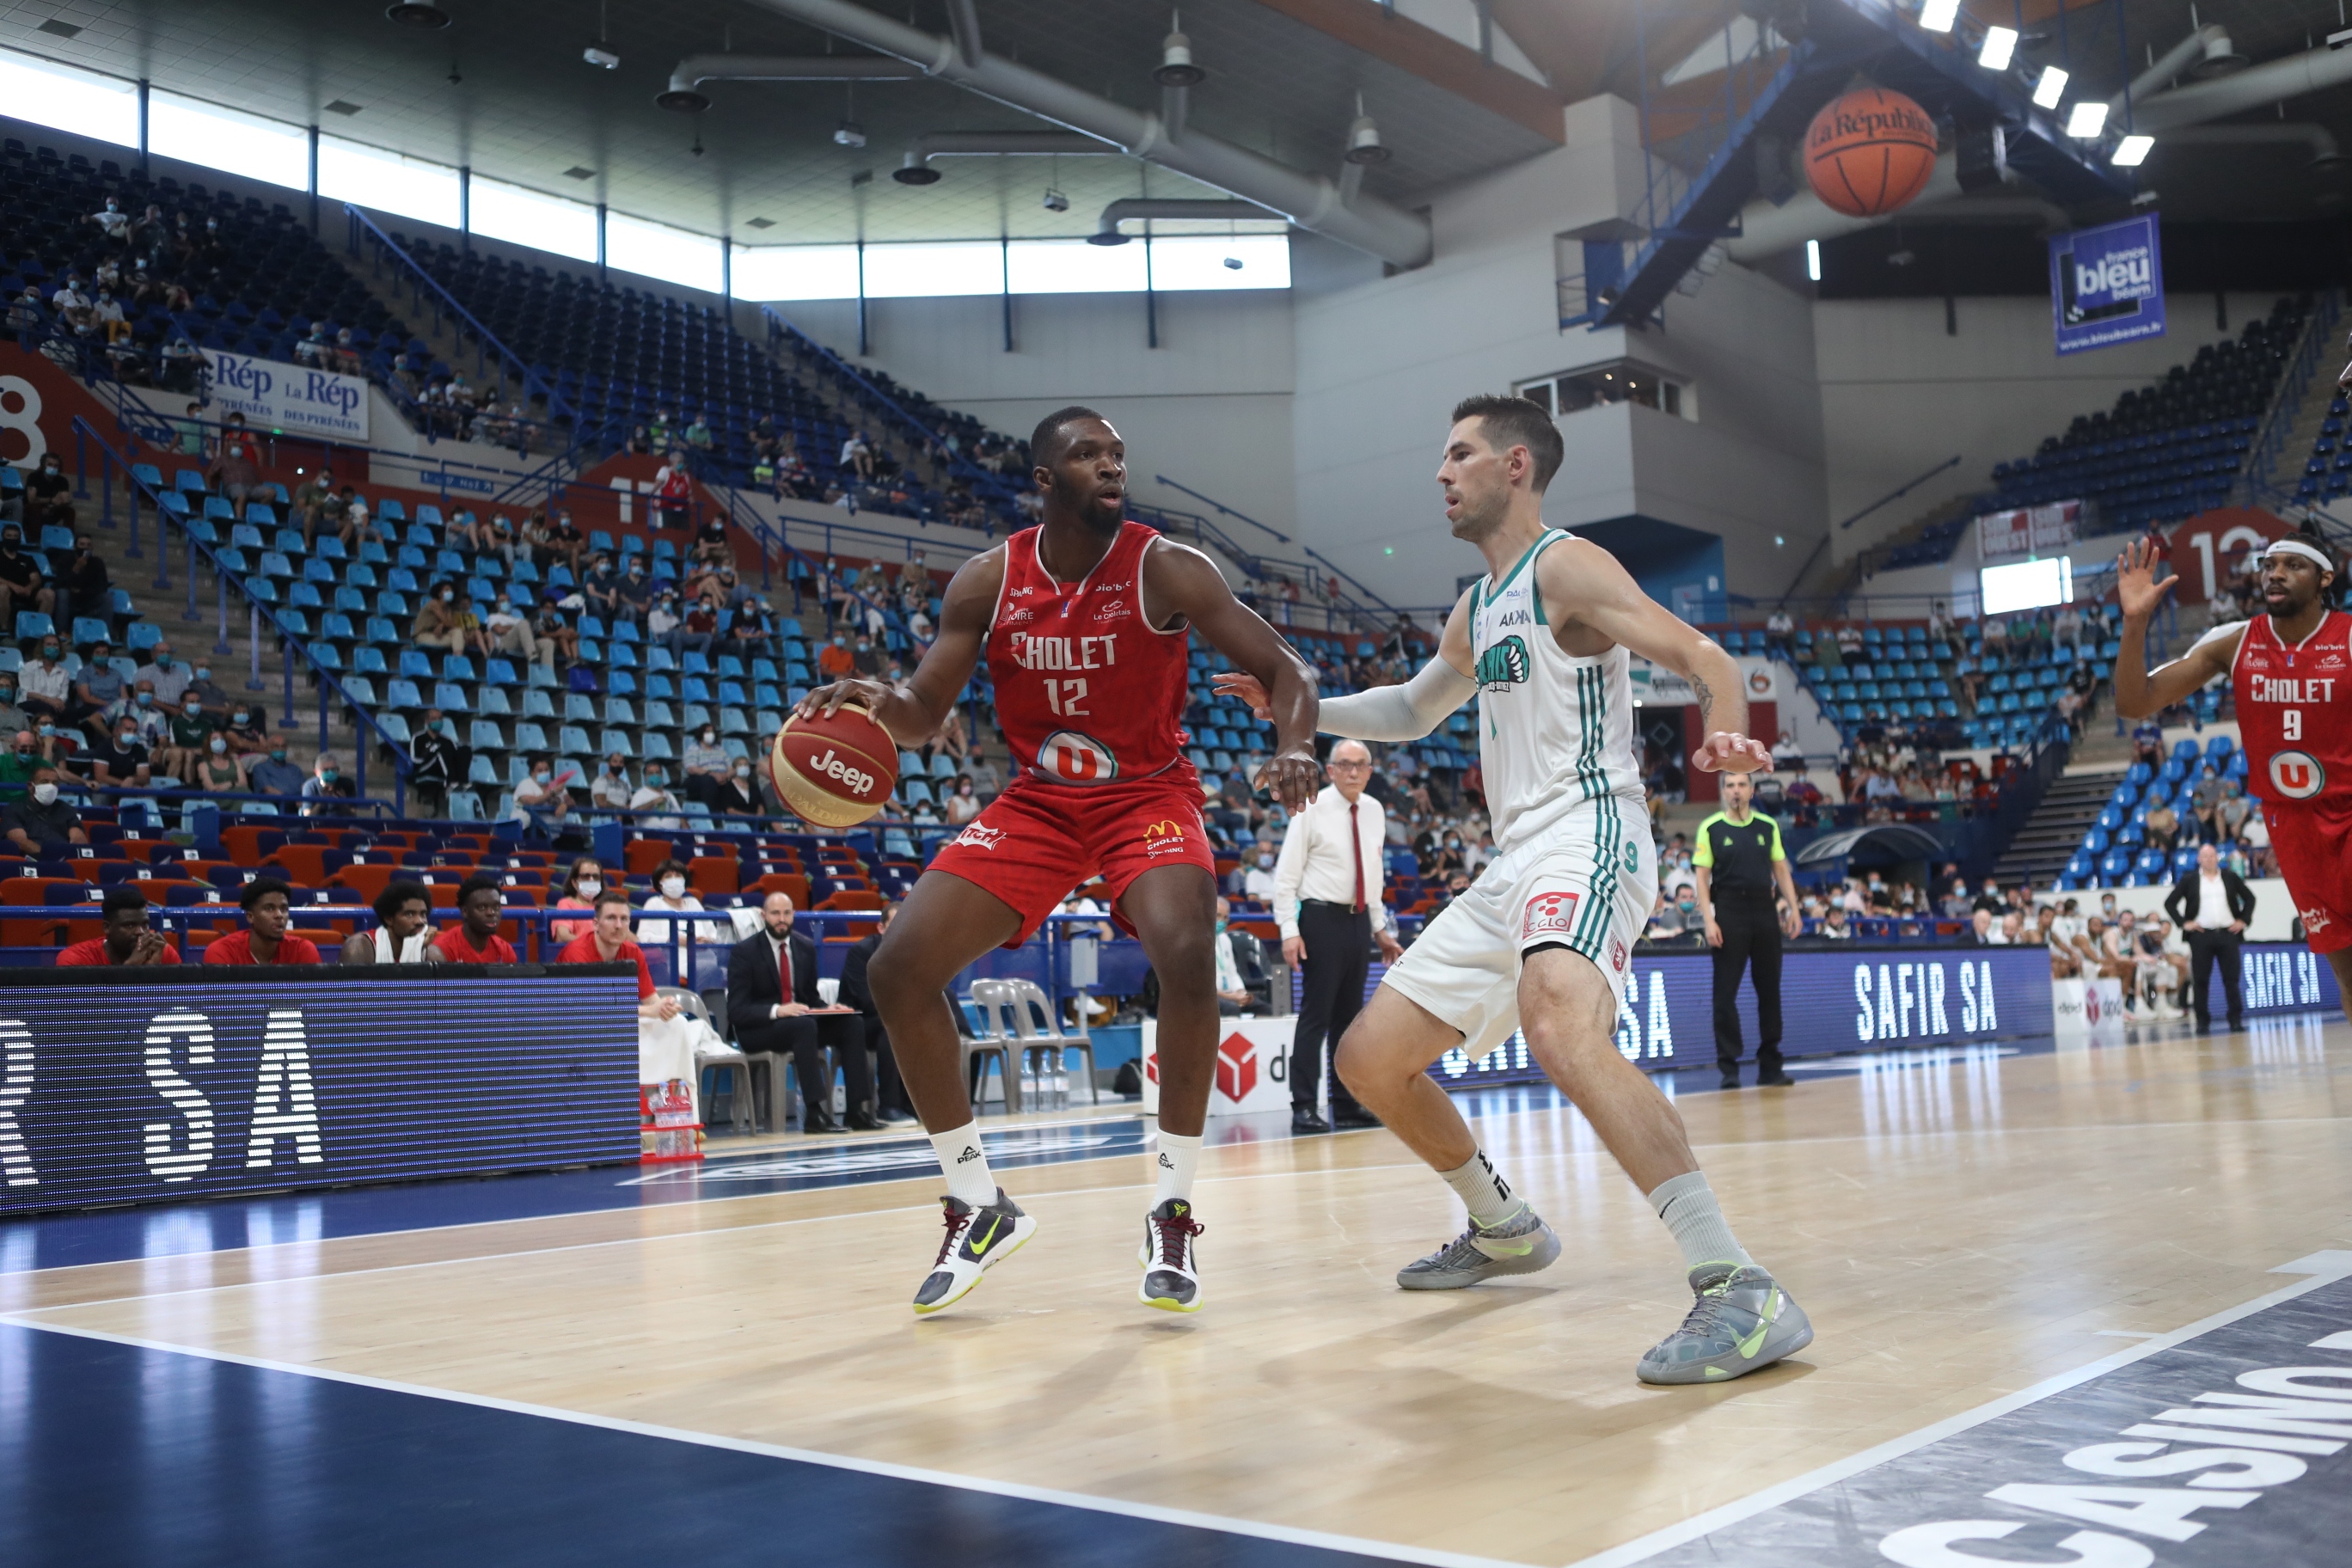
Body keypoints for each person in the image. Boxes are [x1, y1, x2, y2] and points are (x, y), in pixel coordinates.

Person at [1219, 393, 1808, 1385]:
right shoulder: (1474, 605)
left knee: (1560, 1026)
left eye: (1459, 456)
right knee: (1368, 1058)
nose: (1441, 475)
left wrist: (1725, 722)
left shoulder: (1566, 567)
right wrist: (1301, 703)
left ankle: (1738, 1287)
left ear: (1517, 467)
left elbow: (1702, 654)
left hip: (1591, 825)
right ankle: (1501, 1226)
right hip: (1515, 859)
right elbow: (1411, 709)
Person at [795, 404, 1320, 1317]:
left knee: (1189, 957)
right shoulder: (988, 581)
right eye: (1088, 456)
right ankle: (975, 1200)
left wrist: (1299, 744)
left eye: (1118, 454)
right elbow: (924, 712)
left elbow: (1290, 671)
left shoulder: (1167, 567)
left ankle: (1172, 1206)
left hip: (1145, 794)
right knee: (897, 969)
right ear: (1045, 480)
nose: (1111, 467)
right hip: (1038, 802)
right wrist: (875, 705)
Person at [2116, 535, 2352, 998]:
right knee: (2347, 973)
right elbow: (2133, 702)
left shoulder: (2347, 636)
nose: (2275, 573)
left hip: (2348, 808)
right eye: (2269, 564)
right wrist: (2136, 622)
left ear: (2325, 577)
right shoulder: (2235, 641)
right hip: (2293, 825)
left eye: (2293, 565)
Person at [1270, 738, 1402, 1134]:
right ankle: (1304, 1106)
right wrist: (1289, 931)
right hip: (1320, 919)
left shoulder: (1375, 811)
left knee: (1349, 1019)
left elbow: (1373, 876)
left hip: (1358, 920)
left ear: (1370, 770)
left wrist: (1380, 930)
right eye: (1344, 764)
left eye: (1360, 765)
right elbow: (1286, 877)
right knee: (1316, 1016)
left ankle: (1346, 1104)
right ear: (1329, 770)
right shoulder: (1311, 808)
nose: (1352, 772)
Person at [560, 891, 721, 1118]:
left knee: (677, 1025)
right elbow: (591, 1008)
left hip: (616, 1025)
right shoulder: (577, 953)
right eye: (611, 918)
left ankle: (678, 1114)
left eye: (624, 919)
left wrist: (666, 1007)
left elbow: (651, 1000)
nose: (618, 925)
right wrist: (651, 1010)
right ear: (596, 923)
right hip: (576, 1030)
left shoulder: (633, 952)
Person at [725, 891, 874, 1133]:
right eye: (775, 914)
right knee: (804, 1026)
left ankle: (856, 1111)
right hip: (757, 1028)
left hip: (799, 1024)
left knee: (851, 1023)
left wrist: (828, 1008)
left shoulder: (804, 947)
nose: (781, 919)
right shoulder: (745, 952)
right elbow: (736, 1010)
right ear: (764, 916)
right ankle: (814, 1114)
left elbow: (809, 998)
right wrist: (777, 1010)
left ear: (793, 915)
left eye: (786, 913)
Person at [1692, 771, 1803, 1091]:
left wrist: (1793, 907)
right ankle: (1729, 1068)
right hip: (1728, 910)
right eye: (1730, 785)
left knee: (1769, 991)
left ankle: (1771, 1065)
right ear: (1724, 792)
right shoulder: (1710, 827)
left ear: (1752, 791)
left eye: (1741, 785)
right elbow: (1702, 877)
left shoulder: (1767, 827)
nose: (1736, 790)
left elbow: (1780, 869)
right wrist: (1709, 919)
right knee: (1724, 994)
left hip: (1764, 911)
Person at [836, 900, 916, 1122]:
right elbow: (866, 1000)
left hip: (891, 1021)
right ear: (881, 928)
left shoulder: (913, 955)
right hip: (859, 1022)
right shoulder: (860, 953)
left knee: (911, 1026)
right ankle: (888, 1106)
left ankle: (912, 1104)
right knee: (893, 1027)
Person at [2165, 841, 2256, 1032]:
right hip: (2201, 935)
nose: (2209, 859)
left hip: (2227, 934)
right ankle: (2202, 1021)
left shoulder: (2229, 877)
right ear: (2199, 859)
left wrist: (2243, 920)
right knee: (2201, 980)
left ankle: (2235, 1019)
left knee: (2231, 979)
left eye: (2212, 856)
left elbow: (2250, 898)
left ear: (2218, 858)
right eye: (2205, 856)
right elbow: (2170, 903)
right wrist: (2184, 923)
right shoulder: (2190, 879)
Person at [203, 878, 323, 964]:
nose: (279, 915)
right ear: (250, 917)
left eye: (284, 909)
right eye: (269, 908)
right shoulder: (223, 952)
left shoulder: (302, 950)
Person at [58, 885, 179, 965]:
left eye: (145, 925)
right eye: (130, 926)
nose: (140, 932)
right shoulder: (76, 959)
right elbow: (81, 1003)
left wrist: (158, 973)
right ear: (107, 927)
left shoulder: (163, 951)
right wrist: (131, 969)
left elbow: (182, 999)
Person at [427, 875, 518, 962]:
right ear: (465, 911)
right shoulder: (443, 949)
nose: (491, 913)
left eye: (496, 907)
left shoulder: (505, 951)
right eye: (482, 907)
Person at [341, 881, 435, 964]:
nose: (420, 921)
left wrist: (420, 948)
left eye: (423, 914)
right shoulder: (359, 947)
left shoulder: (430, 951)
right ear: (389, 919)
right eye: (409, 914)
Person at [3, 765, 86, 856]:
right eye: (44, 782)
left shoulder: (67, 809)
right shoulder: (14, 810)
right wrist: (47, 855)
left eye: (55, 783)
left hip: (64, 859)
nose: (50, 787)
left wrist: (68, 854)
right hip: (33, 860)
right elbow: (19, 840)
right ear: (30, 786)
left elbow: (78, 838)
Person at [550, 856, 608, 945]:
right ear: (574, 882)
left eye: (596, 877)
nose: (591, 880)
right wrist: (593, 945)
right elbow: (562, 936)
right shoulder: (566, 904)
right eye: (586, 876)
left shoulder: (605, 905)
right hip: (578, 954)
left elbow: (625, 935)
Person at [301, 753, 354, 817]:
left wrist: (343, 802)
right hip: (317, 825)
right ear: (316, 772)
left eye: (333, 769)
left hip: (341, 824)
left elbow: (353, 815)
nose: (330, 772)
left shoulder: (347, 784)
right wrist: (321, 801)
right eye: (326, 770)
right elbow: (307, 816)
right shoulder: (310, 786)